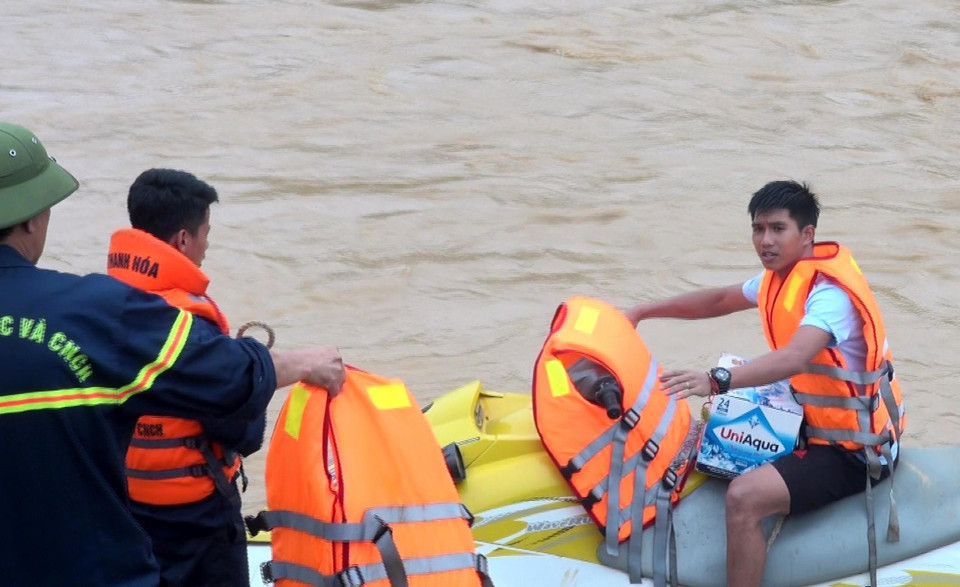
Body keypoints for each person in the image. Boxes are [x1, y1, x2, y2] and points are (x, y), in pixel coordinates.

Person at [0, 122, 345, 587]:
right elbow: (232, 384)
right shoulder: (98, 314)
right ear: (30, 218)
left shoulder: (111, 303)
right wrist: (305, 363)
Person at [624, 180, 904, 587]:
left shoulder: (829, 296)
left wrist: (715, 380)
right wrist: (641, 311)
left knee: (743, 498)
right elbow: (720, 299)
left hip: (855, 450)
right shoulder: (779, 278)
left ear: (807, 234)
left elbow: (794, 357)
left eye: (777, 229)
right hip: (817, 422)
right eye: (758, 229)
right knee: (703, 438)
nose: (765, 240)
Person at [106, 168, 263, 587]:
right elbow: (241, 433)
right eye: (206, 233)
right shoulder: (194, 327)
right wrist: (255, 367)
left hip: (129, 510)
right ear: (182, 239)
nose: (207, 246)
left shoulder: (100, 310)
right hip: (200, 521)